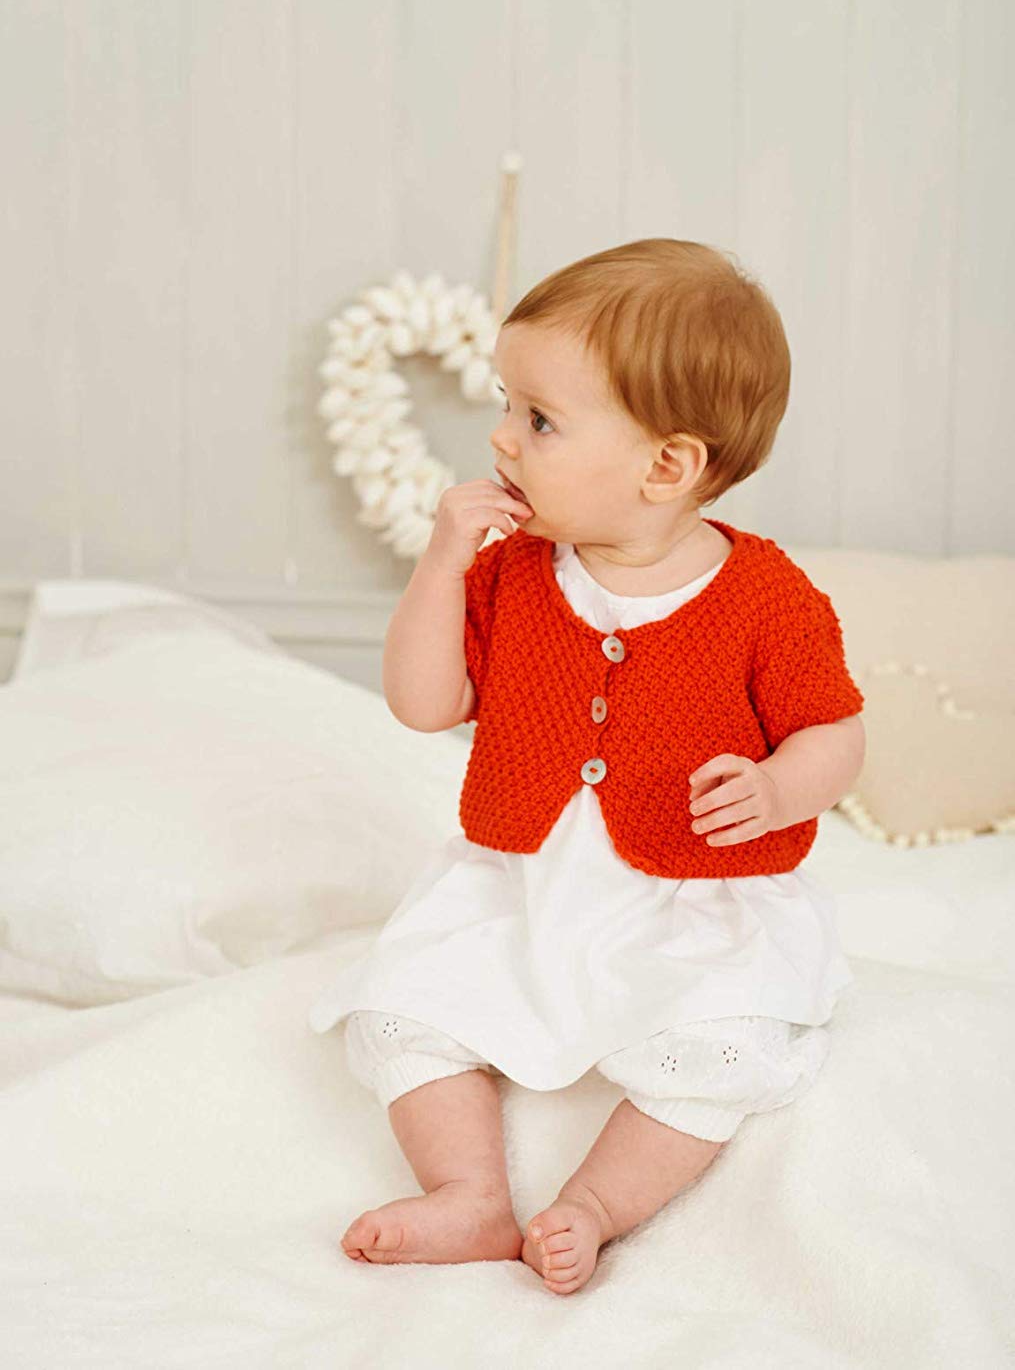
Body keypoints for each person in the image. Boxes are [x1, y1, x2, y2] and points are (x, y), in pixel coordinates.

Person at [307, 238, 866, 1296]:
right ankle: (468, 1193)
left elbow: (833, 733)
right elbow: (425, 704)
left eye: (539, 420)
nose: (500, 436)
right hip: (522, 882)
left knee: (723, 1041)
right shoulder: (513, 572)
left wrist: (778, 788)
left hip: (687, 897)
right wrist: (440, 565)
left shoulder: (767, 599)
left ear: (666, 466)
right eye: (507, 405)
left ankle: (599, 1202)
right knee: (403, 1005)